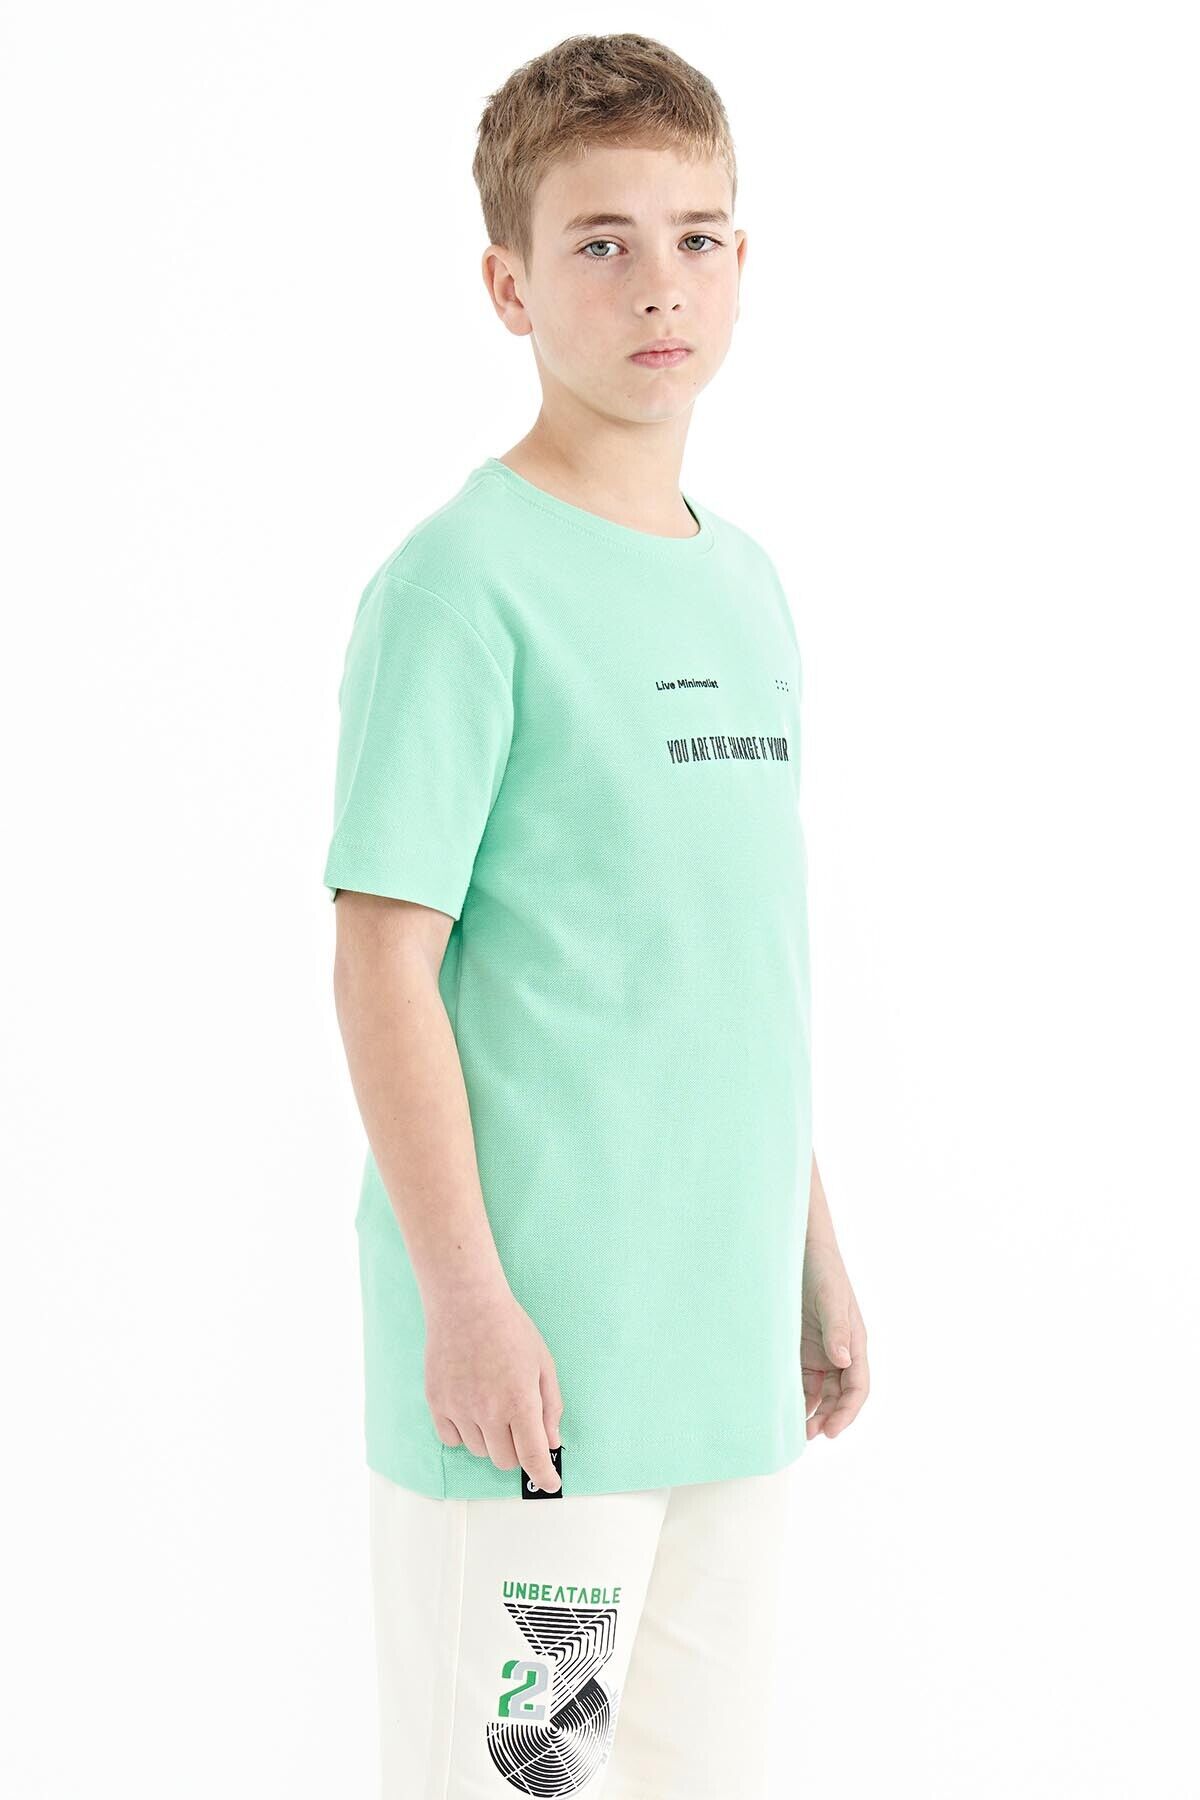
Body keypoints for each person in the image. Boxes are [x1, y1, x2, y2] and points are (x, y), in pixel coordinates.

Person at [322, 31, 870, 1799]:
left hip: (724, 1372)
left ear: (743, 264)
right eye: (602, 242)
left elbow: (724, 964)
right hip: (539, 1395)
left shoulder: (748, 582)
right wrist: (466, 1303)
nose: (660, 285)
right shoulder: (461, 586)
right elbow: (381, 959)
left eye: (697, 239)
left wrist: (811, 1255)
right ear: (510, 284)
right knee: (520, 1786)